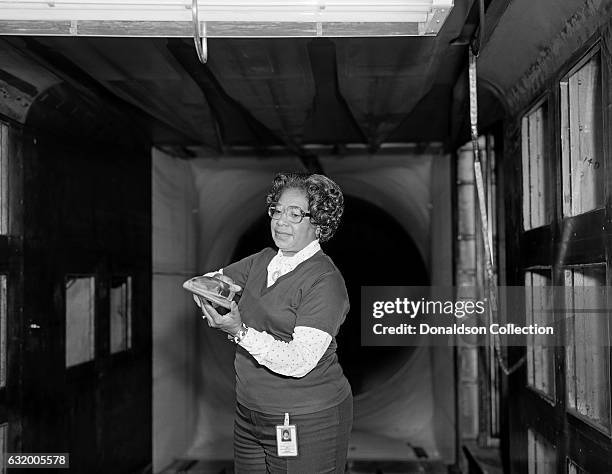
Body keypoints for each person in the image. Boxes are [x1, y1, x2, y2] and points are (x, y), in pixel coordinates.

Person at [196, 172, 352, 473]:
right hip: (249, 413)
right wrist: (208, 288)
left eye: (295, 214)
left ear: (318, 223)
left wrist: (239, 332)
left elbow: (299, 360)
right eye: (277, 211)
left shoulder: (325, 281)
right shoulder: (262, 260)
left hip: (308, 418)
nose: (281, 221)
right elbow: (216, 280)